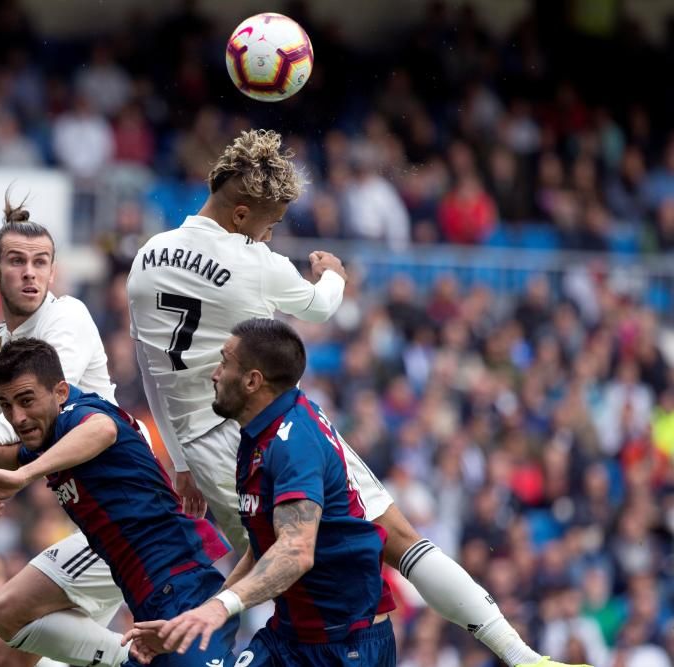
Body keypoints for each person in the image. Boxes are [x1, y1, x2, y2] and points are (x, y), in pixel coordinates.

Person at [125, 128, 586, 667]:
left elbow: (149, 367)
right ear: (243, 212)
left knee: (269, 582)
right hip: (270, 427)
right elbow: (321, 309)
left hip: (202, 453)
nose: (270, 236)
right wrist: (334, 276)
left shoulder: (147, 256)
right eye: (270, 224)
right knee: (389, 544)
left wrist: (180, 462)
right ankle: (521, 656)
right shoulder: (254, 262)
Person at [126, 319, 397, 666]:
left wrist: (217, 607)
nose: (215, 374)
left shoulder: (293, 442)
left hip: (345, 646)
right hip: (291, 637)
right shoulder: (260, 434)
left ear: (252, 381)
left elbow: (296, 551)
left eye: (225, 362)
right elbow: (269, 545)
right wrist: (195, 621)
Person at [0, 196, 128, 667]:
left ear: (53, 272)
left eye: (41, 263)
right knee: (2, 659)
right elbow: (20, 436)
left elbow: (35, 411)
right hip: (84, 513)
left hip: (121, 513)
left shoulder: (69, 319)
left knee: (6, 619)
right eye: (17, 261)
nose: (30, 273)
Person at [0, 338, 236, 665]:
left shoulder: (82, 415)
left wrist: (24, 476)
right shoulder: (51, 432)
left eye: (26, 400)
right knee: (2, 625)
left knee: (5, 617)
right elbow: (17, 454)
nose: (17, 418)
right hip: (147, 591)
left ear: (60, 391)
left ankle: (127, 659)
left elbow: (102, 430)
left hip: (178, 584)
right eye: (6, 406)